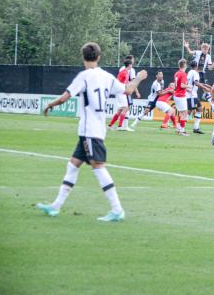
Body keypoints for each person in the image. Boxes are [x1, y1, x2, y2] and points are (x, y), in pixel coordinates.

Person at [37, 42, 148, 221]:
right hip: (90, 130)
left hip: (91, 130)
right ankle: (55, 206)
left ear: (83, 57)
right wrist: (139, 78)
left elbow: (66, 96)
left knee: (98, 167)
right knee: (73, 164)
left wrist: (50, 104)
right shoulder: (107, 76)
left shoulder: (84, 76)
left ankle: (117, 209)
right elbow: (127, 90)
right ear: (99, 56)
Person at [108, 59, 133, 131]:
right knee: (125, 108)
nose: (132, 66)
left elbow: (125, 83)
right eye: (131, 64)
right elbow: (117, 82)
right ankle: (120, 126)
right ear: (129, 65)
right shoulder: (124, 72)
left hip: (122, 92)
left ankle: (110, 126)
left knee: (120, 110)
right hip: (121, 92)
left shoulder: (126, 72)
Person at [186, 60, 208, 134]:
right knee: (188, 112)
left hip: (191, 95)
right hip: (192, 95)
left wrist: (204, 85)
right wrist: (204, 87)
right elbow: (196, 83)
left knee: (199, 109)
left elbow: (194, 82)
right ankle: (180, 127)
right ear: (197, 66)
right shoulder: (195, 73)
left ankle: (196, 128)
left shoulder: (189, 72)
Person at [173, 59, 190, 136]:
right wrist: (188, 86)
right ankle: (182, 131)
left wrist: (187, 88)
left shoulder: (177, 73)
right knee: (185, 113)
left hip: (176, 95)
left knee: (182, 113)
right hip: (180, 95)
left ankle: (178, 129)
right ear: (185, 65)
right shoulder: (183, 74)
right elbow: (182, 85)